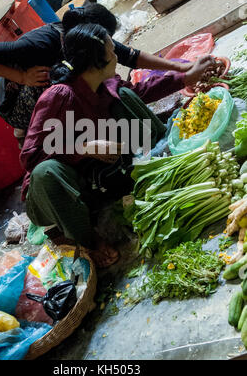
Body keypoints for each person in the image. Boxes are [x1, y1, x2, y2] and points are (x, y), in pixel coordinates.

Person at [20, 23, 218, 269]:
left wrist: (186, 76)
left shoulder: (105, 83)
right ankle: (90, 242)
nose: (116, 56)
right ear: (95, 62)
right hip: (57, 189)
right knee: (45, 172)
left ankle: (157, 163)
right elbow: (30, 157)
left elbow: (140, 91)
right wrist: (84, 147)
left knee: (125, 99)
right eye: (111, 51)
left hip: (95, 174)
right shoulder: (60, 96)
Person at [0, 3, 203, 135]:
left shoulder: (85, 37)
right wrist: (21, 76)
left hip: (55, 84)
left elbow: (130, 56)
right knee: (84, 85)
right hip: (20, 102)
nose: (113, 54)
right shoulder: (39, 45)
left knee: (99, 83)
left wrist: (181, 69)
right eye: (108, 45)